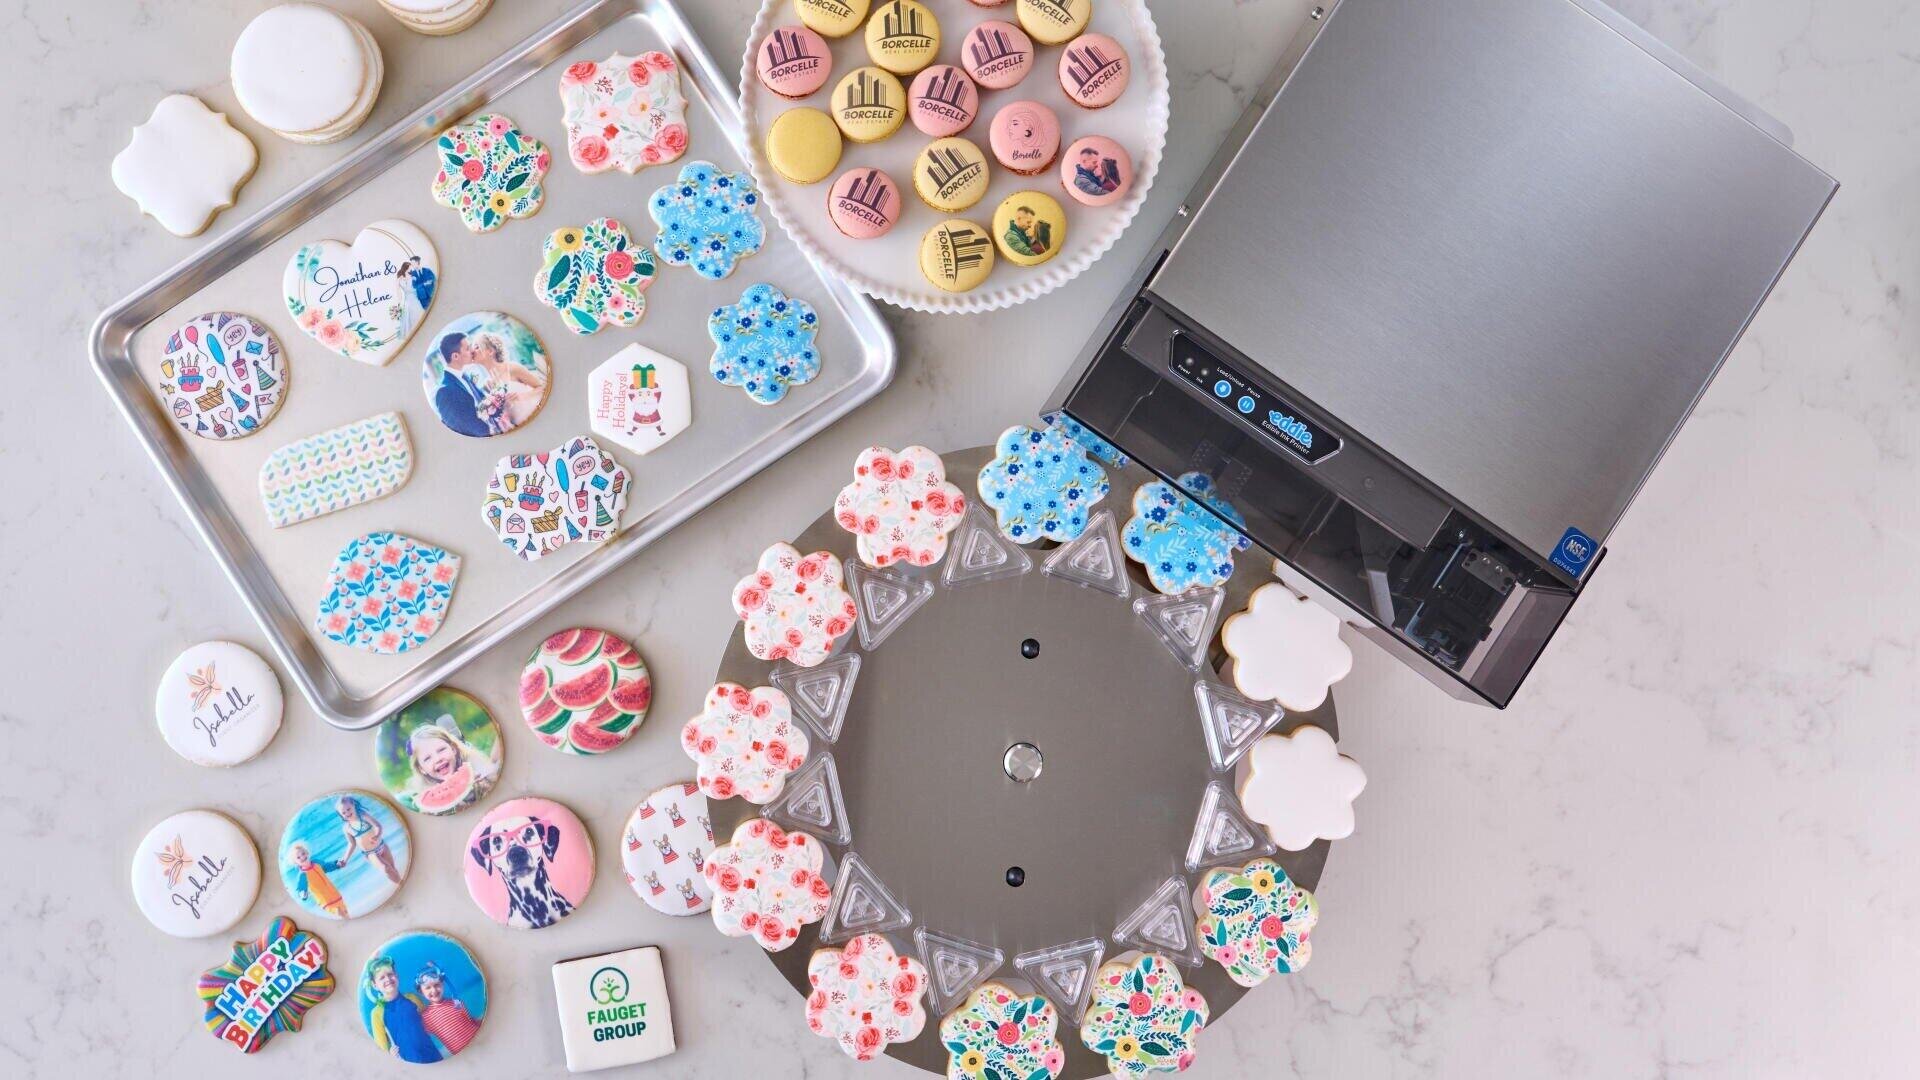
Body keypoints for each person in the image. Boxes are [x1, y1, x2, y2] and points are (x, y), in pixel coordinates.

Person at [428, 329, 546, 437]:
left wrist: (521, 397)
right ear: (455, 356)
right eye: (469, 348)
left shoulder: (513, 368)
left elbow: (543, 387)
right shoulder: (485, 384)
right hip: (515, 429)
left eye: (476, 347)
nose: (473, 351)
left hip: (535, 415)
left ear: (490, 351)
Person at [403, 715, 499, 812]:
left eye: (441, 750)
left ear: (453, 749)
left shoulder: (473, 763)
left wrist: (483, 786)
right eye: (427, 758)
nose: (437, 759)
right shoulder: (426, 794)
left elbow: (494, 775)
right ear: (421, 769)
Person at [365, 957, 443, 1064]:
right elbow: (380, 1047)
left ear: (397, 976)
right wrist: (389, 1053)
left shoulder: (412, 998)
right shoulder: (377, 1013)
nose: (388, 979)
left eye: (390, 974)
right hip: (410, 1063)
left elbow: (432, 1022)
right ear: (375, 985)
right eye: (382, 978)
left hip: (433, 1056)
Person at [416, 961, 482, 1055]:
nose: (434, 990)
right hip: (463, 1056)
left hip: (480, 1042)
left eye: (437, 985)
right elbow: (417, 1035)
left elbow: (470, 1021)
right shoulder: (426, 1017)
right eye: (428, 988)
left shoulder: (456, 1003)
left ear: (442, 985)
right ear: (421, 992)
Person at [336, 795, 403, 886]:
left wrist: (377, 835)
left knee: (392, 869)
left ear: (353, 805)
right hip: (370, 853)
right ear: (341, 815)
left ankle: (402, 884)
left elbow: (377, 826)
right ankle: (401, 884)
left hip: (382, 846)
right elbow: (351, 844)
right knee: (386, 869)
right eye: (343, 812)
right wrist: (345, 859)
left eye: (348, 809)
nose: (347, 813)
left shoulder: (362, 815)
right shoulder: (347, 828)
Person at [286, 841, 348, 918]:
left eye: (303, 853)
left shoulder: (316, 863)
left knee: (346, 913)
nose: (302, 857)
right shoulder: (302, 875)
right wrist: (303, 894)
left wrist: (336, 864)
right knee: (340, 914)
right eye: (298, 857)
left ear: (307, 853)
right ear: (295, 862)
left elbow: (326, 867)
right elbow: (301, 888)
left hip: (335, 894)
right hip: (325, 901)